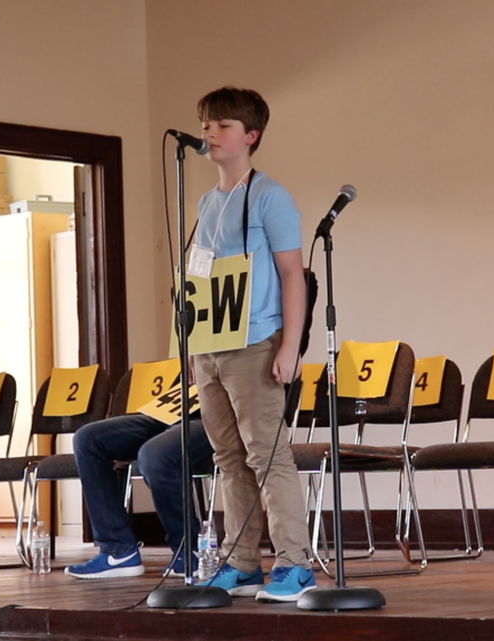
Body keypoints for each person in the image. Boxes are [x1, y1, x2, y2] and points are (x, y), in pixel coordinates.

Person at [190, 87, 316, 603]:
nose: (209, 135)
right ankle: (240, 563)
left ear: (250, 136)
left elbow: (293, 274)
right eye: (205, 126)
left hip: (255, 341)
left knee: (267, 454)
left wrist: (289, 346)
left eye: (221, 126)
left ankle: (294, 563)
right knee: (227, 456)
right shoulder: (204, 201)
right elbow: (201, 272)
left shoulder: (270, 196)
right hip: (209, 344)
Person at [64, 413, 214, 579]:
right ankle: (118, 551)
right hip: (171, 411)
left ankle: (189, 550)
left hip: (212, 414)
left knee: (155, 455)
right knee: (88, 438)